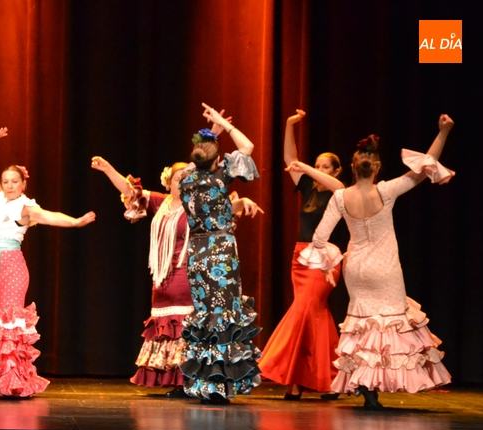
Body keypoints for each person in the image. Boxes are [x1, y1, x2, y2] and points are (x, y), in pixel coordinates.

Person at [89, 118, 261, 397]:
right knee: (170, 327)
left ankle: (190, 380)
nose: (182, 179)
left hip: (190, 268)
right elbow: (130, 192)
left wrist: (241, 201)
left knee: (190, 322)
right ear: (169, 181)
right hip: (164, 274)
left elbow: (224, 205)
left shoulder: (199, 194)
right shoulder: (165, 201)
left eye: (186, 174)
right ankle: (181, 379)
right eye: (177, 177)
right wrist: (108, 168)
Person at [298, 115, 455, 409]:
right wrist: (443, 132)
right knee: (388, 327)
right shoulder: (386, 190)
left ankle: (367, 388)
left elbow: (319, 239)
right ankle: (377, 386)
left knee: (362, 326)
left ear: (353, 167)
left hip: (355, 267)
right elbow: (425, 168)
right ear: (377, 167)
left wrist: (334, 259)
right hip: (384, 268)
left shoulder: (340, 197)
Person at [0, 127, 96, 397]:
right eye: (6, 181)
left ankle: (12, 381)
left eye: (13, 181)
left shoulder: (24, 207)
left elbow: (50, 216)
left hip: (11, 265)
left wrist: (75, 222)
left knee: (8, 323)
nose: (7, 185)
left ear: (23, 185)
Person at [177, 103, 263, 404]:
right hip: (221, 251)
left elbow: (199, 158)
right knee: (223, 314)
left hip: (197, 251)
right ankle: (219, 383)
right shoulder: (220, 176)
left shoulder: (186, 179)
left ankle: (203, 381)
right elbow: (248, 147)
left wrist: (209, 136)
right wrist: (222, 127)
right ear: (217, 161)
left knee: (205, 313)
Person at [258, 109, 345, 400]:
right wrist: (288, 126)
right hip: (300, 256)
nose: (319, 169)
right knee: (312, 314)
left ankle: (309, 378)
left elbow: (338, 186)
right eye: (317, 164)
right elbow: (289, 158)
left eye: (325, 166)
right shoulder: (307, 188)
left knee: (309, 310)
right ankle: (319, 379)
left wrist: (307, 168)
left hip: (324, 259)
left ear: (335, 170)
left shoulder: (338, 191)